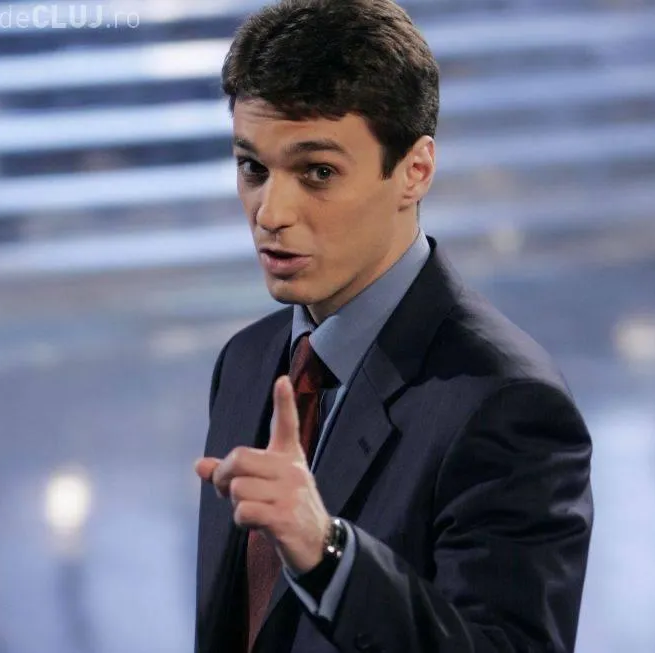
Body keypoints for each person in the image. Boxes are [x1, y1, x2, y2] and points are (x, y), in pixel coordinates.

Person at [193, 1, 593, 652]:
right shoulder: (244, 362)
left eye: (318, 172)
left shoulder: (509, 401)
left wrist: (329, 555)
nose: (271, 212)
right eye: (253, 169)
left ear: (415, 171)